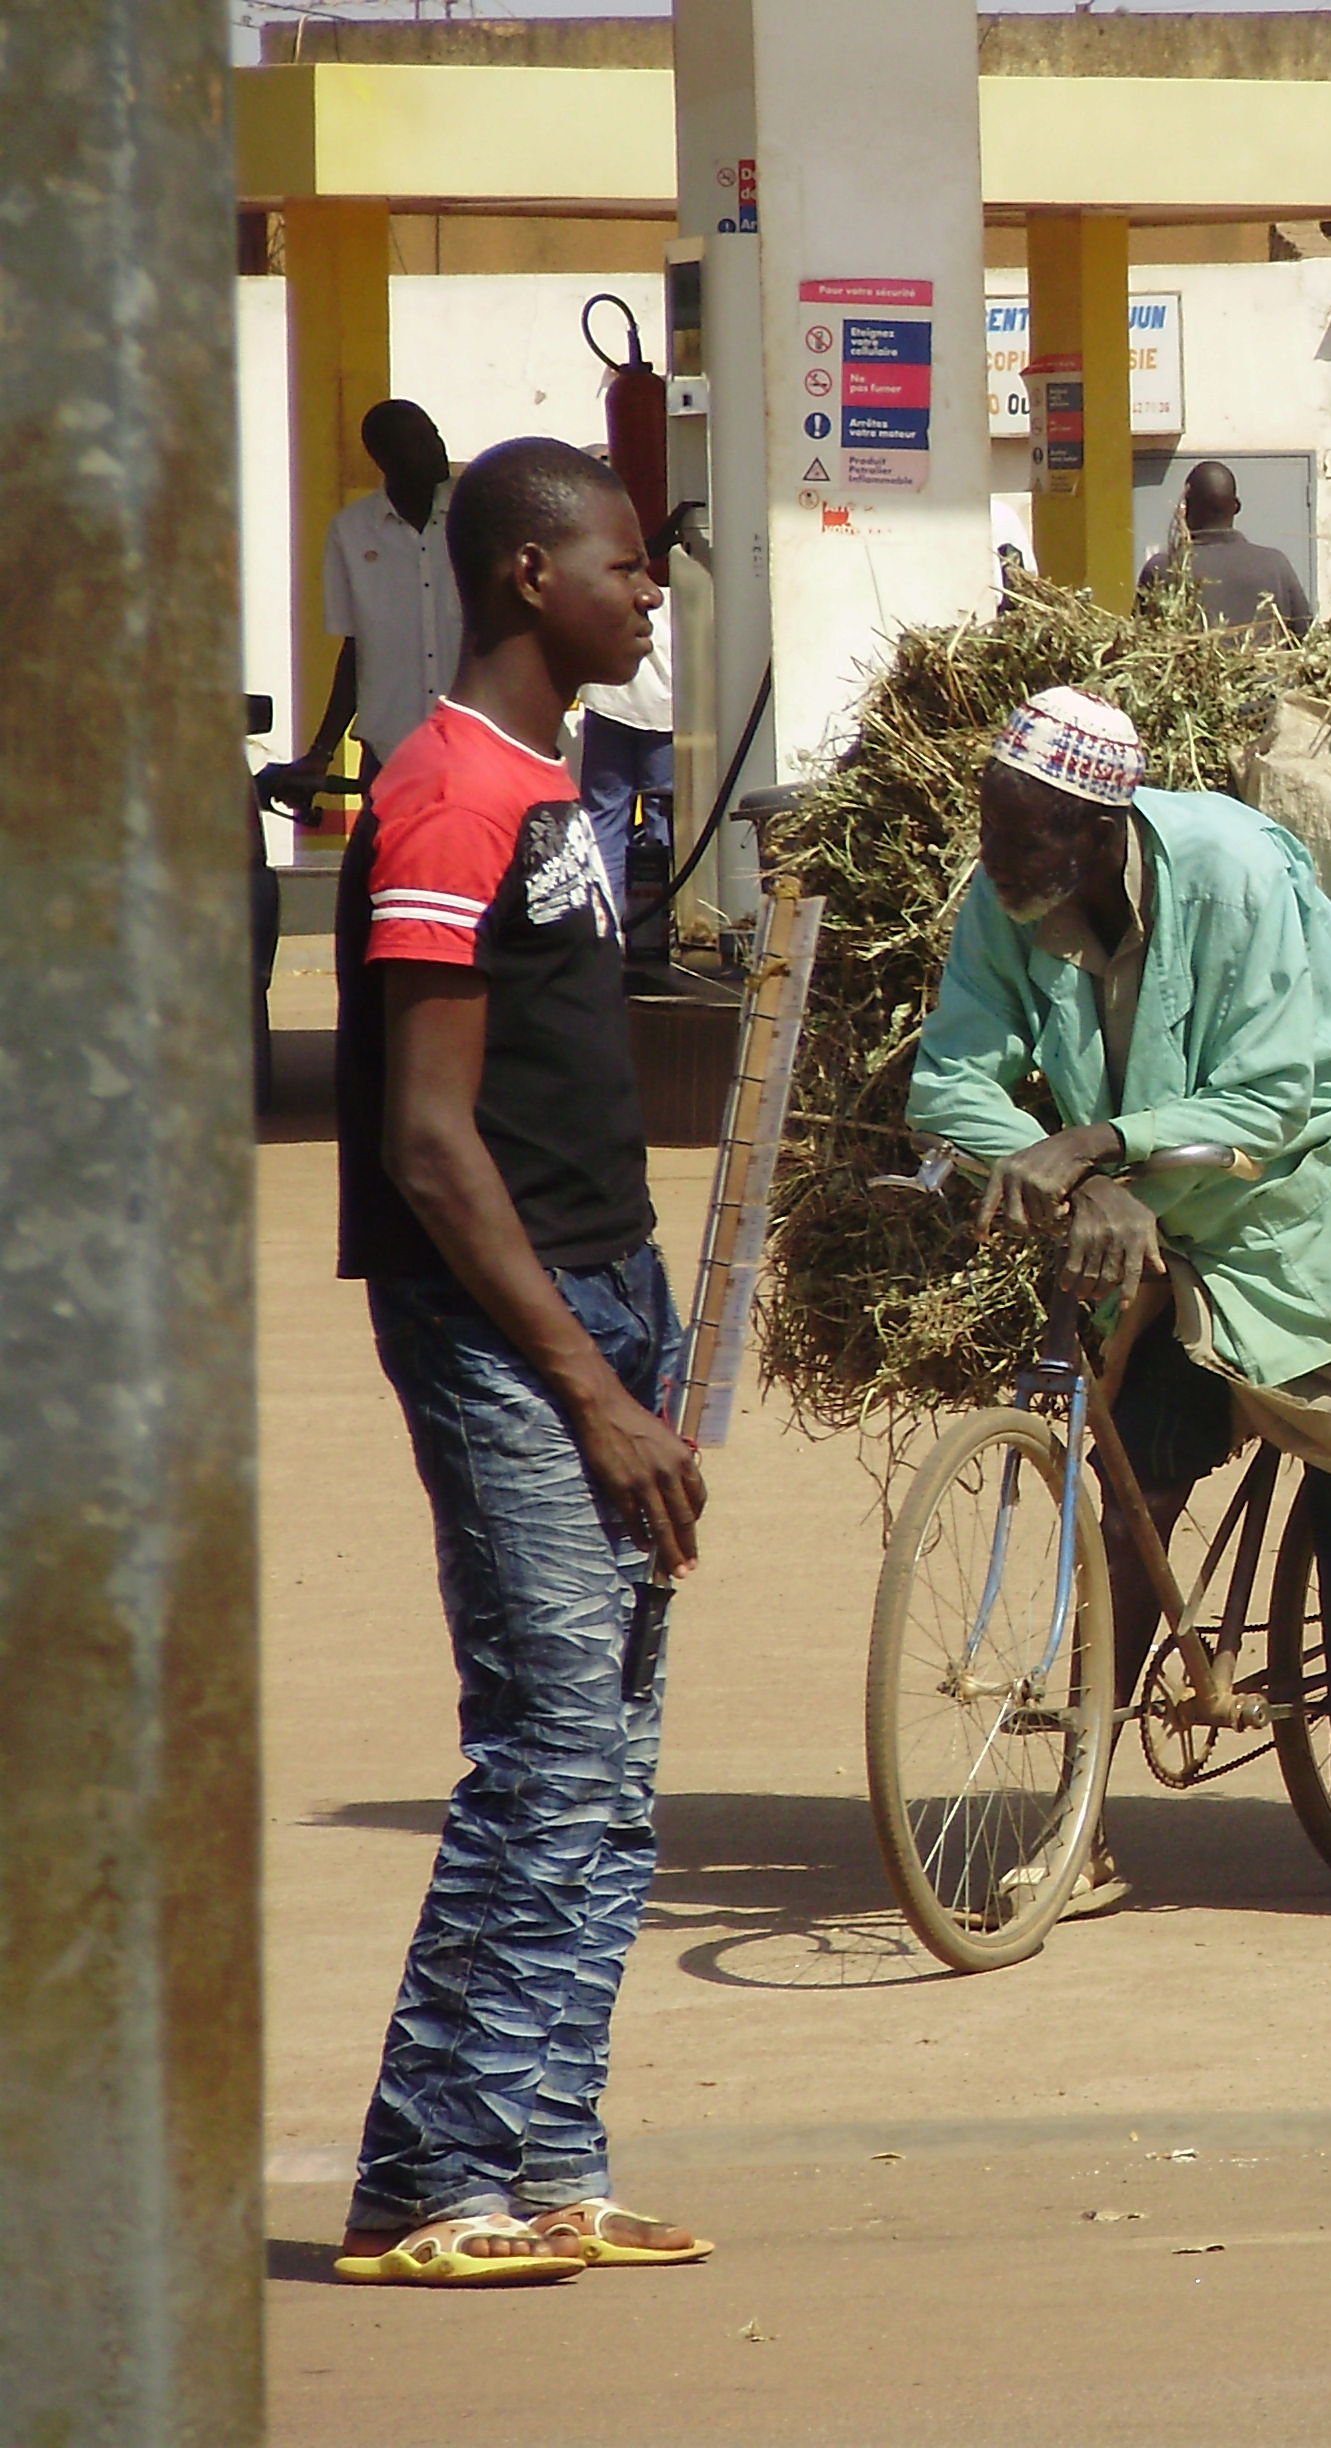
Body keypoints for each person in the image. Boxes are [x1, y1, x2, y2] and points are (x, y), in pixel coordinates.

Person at [908, 687, 1331, 1934]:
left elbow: (1279, 1092)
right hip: (1170, 1224)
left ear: (1101, 821)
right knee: (1127, 1507)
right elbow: (951, 1077)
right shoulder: (1004, 899)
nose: (1000, 862)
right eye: (992, 831)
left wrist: (1097, 1144)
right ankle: (1082, 1819)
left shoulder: (1234, 870)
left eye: (1027, 838)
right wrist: (1071, 1180)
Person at [329, 436, 713, 2285]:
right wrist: (592, 1386)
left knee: (611, 1767)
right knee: (545, 1752)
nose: (647, 591)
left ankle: (549, 2155)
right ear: (522, 581)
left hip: (605, 1305)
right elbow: (428, 1137)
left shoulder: (556, 784)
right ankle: (423, 2183)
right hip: (511, 1334)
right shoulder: (447, 797)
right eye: (620, 564)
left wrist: (639, 1342)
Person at [265, 400, 465, 808]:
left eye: (434, 434)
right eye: (418, 441)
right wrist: (323, 750)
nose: (436, 447)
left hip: (472, 747)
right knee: (387, 870)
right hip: (391, 749)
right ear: (383, 457)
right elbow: (355, 649)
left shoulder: (474, 518)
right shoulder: (351, 531)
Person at [1137, 460, 1312, 636]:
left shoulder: (1163, 569)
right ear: (1236, 506)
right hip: (1265, 662)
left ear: (1185, 507)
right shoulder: (1276, 565)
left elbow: (1135, 643)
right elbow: (1306, 637)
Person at [574, 623, 672, 913]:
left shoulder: (613, 578)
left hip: (607, 698)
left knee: (604, 819)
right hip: (665, 707)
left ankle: (605, 924)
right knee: (663, 820)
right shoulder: (681, 580)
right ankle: (659, 925)